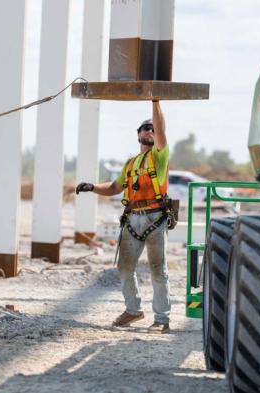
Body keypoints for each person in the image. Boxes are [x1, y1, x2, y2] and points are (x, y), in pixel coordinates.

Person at [76, 101, 171, 333]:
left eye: (152, 128)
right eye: (145, 128)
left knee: (158, 269)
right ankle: (133, 310)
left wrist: (155, 101)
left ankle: (162, 319)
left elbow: (160, 127)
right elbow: (115, 187)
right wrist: (92, 187)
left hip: (154, 217)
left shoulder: (159, 157)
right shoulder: (130, 164)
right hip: (132, 219)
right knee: (125, 267)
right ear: (138, 135)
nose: (149, 130)